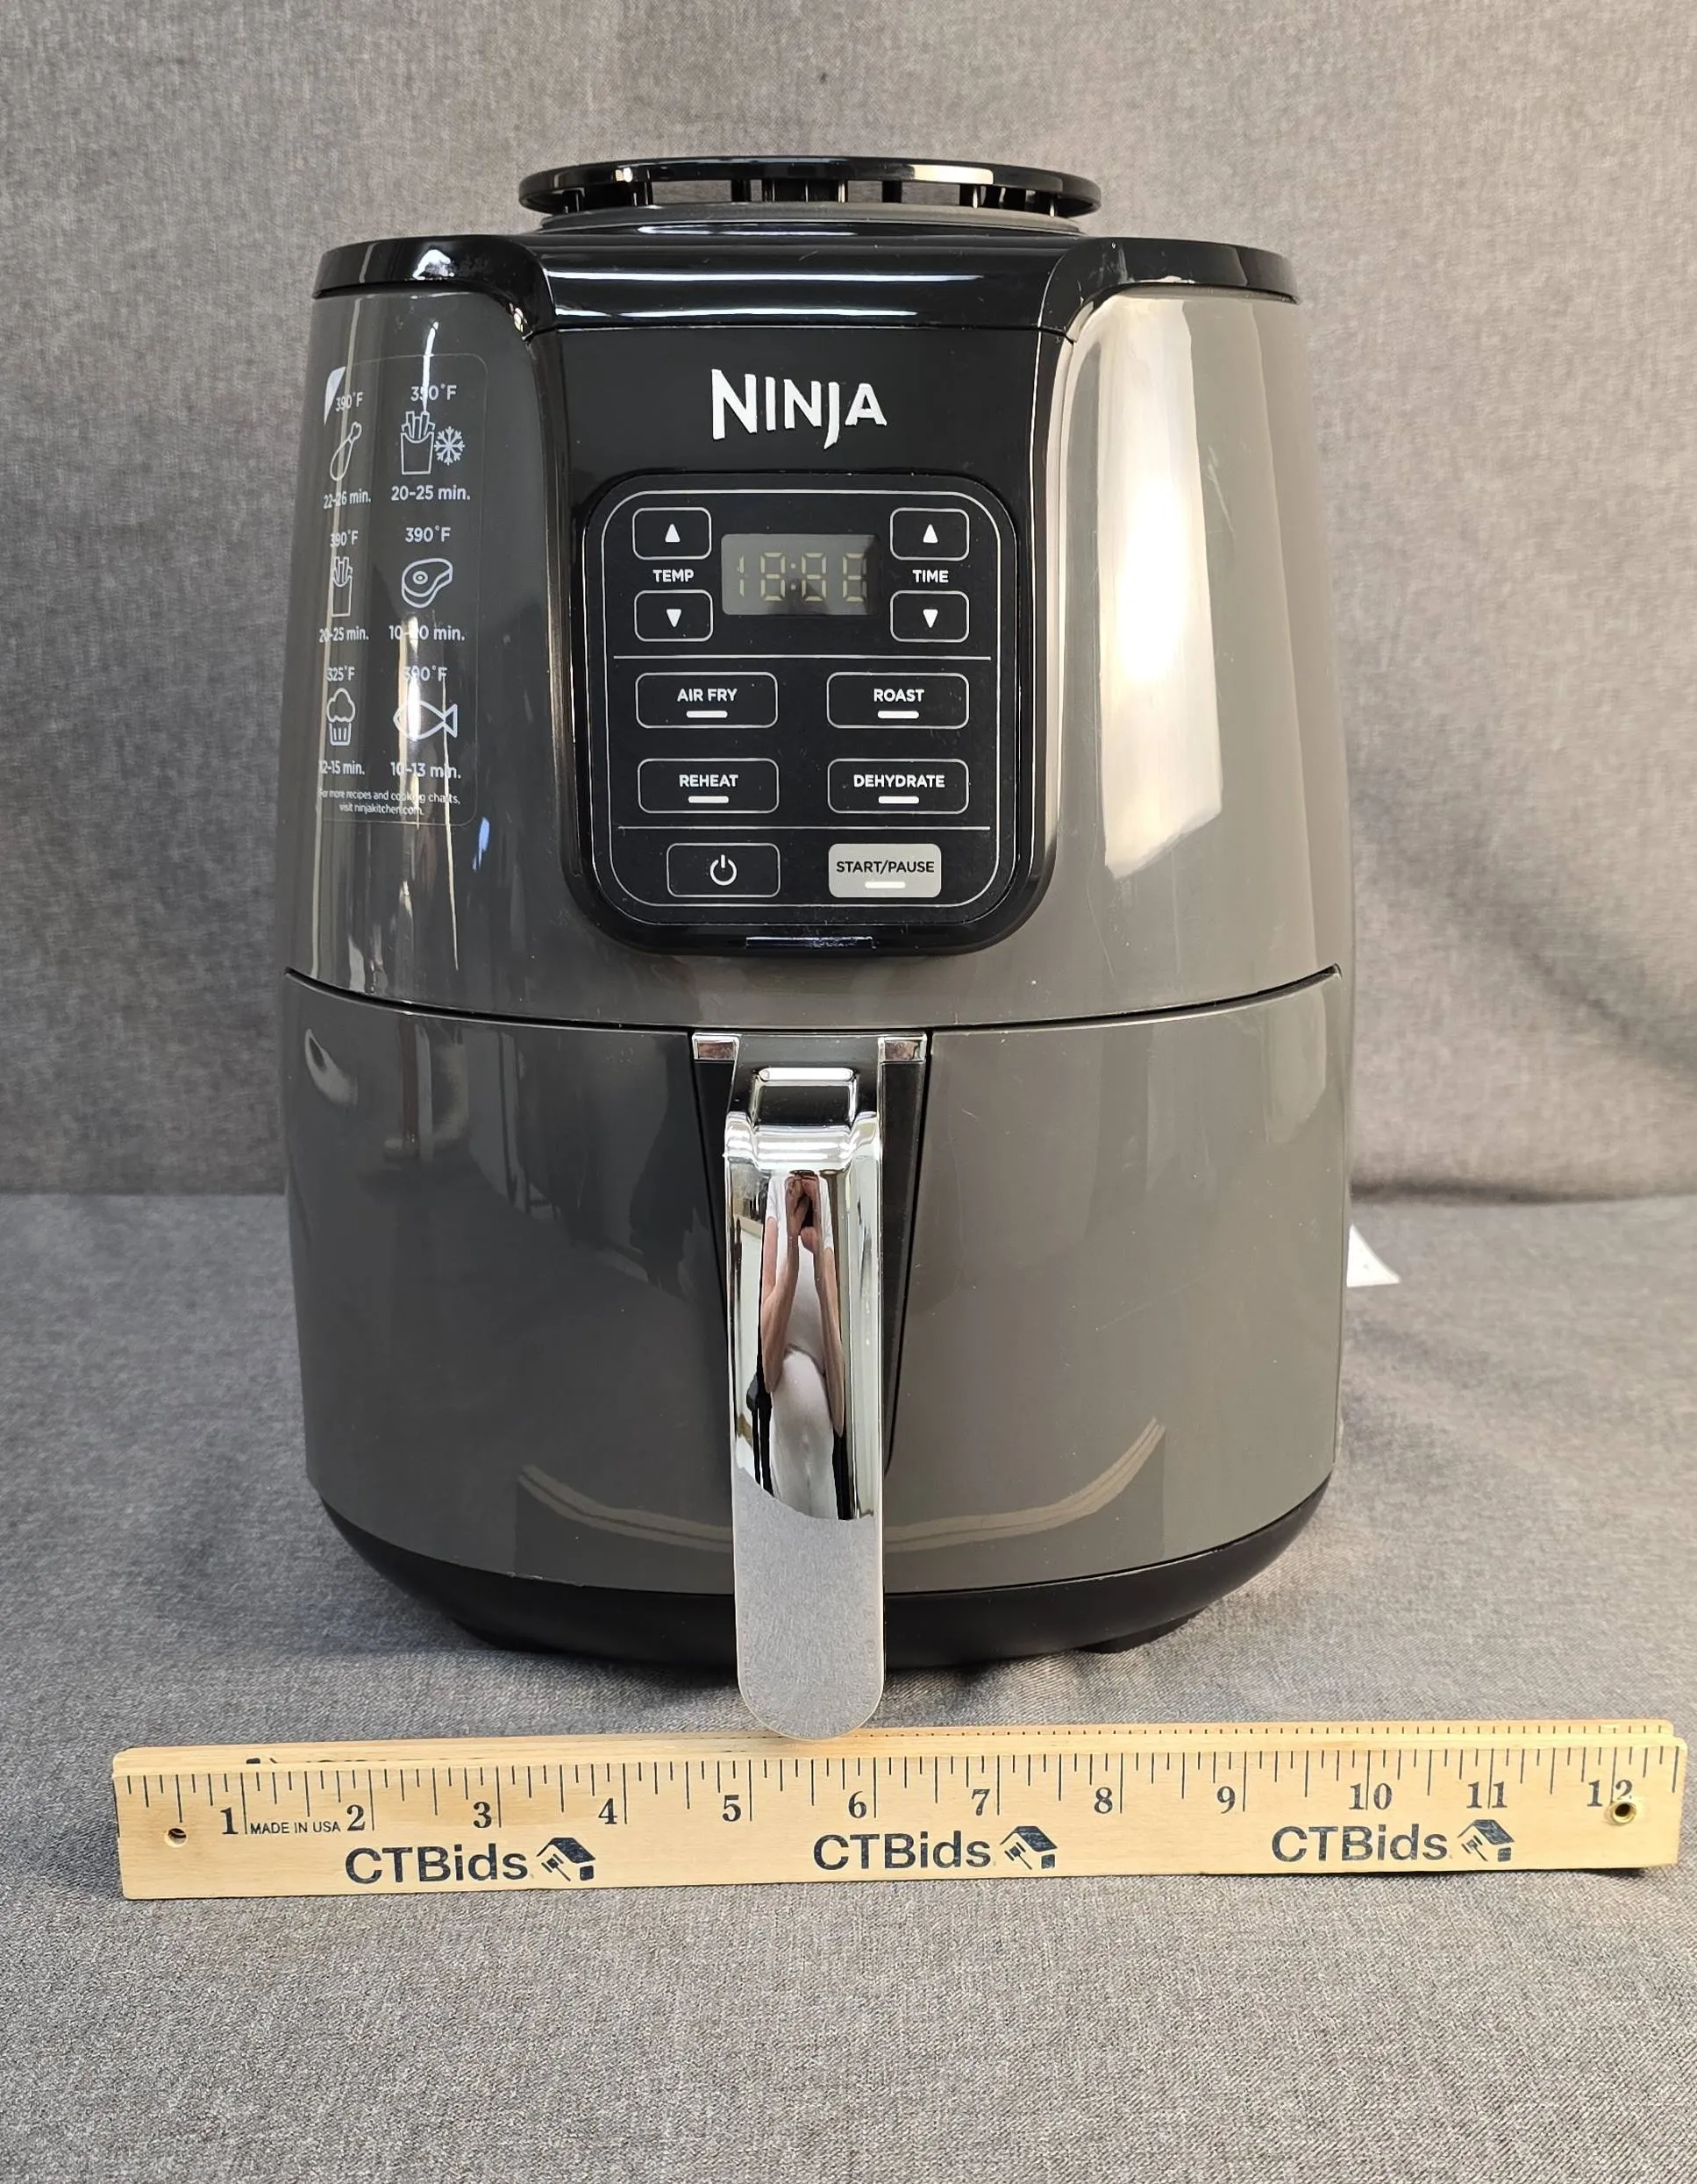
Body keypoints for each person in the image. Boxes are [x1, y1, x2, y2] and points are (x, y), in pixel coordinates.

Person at [757, 1171, 849, 1517]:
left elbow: (839, 1418)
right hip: (786, 1465)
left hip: (824, 1476)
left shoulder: (821, 1192)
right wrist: (793, 1255)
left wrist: (821, 1269)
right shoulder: (777, 1190)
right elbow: (769, 1374)